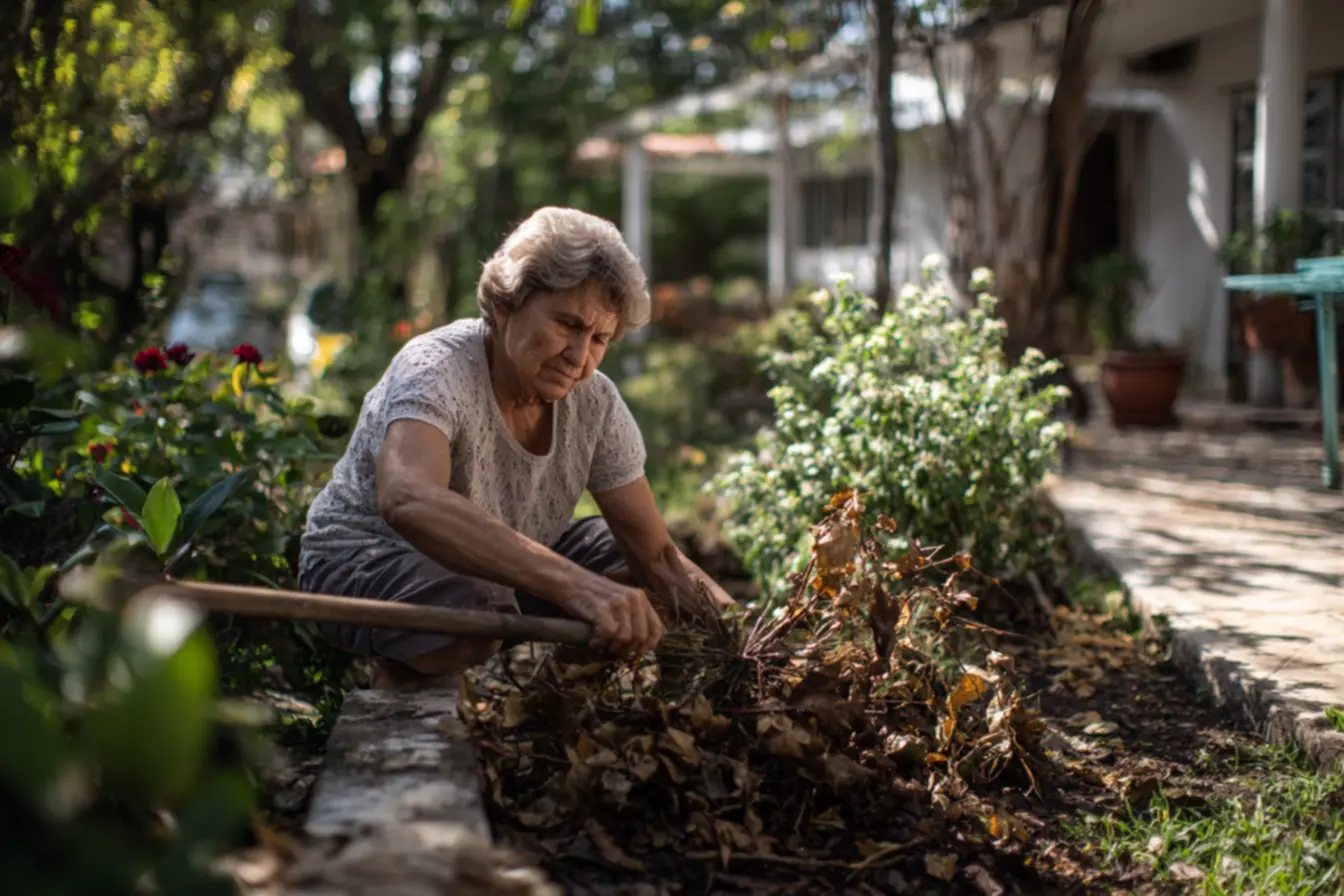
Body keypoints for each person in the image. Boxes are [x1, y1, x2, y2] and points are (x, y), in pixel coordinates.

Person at [299, 207, 734, 687]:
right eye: (568, 325)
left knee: (633, 575)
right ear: (506, 305)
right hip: (365, 558)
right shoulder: (436, 369)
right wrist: (578, 588)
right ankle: (403, 716)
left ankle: (567, 708)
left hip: (494, 574)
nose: (579, 356)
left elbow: (656, 557)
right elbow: (407, 498)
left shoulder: (596, 403)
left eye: (599, 338)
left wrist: (743, 635)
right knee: (475, 613)